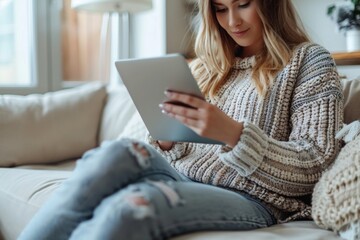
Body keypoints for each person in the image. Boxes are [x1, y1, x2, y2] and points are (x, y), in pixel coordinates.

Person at [19, 0, 344, 239]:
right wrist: (167, 140)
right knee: (114, 154)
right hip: (179, 175)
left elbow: (314, 163)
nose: (232, 21)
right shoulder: (207, 66)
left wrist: (232, 134)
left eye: (243, 4)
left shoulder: (309, 62)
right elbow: (176, 151)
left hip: (254, 198)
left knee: (132, 206)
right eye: (219, 8)